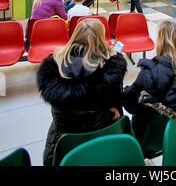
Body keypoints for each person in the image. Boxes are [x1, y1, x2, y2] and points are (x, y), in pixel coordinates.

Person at [36, 18, 127, 166]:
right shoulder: (110, 69)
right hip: (98, 140)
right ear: (100, 39)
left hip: (61, 145)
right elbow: (116, 104)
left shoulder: (54, 65)